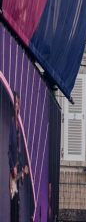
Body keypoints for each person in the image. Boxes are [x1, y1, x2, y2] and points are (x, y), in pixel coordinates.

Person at [9, 92, 29, 222]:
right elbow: (9, 147)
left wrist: (22, 169)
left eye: (19, 103)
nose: (17, 106)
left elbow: (17, 151)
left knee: (16, 208)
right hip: (10, 173)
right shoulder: (10, 123)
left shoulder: (18, 125)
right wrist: (12, 166)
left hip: (14, 178)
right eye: (16, 102)